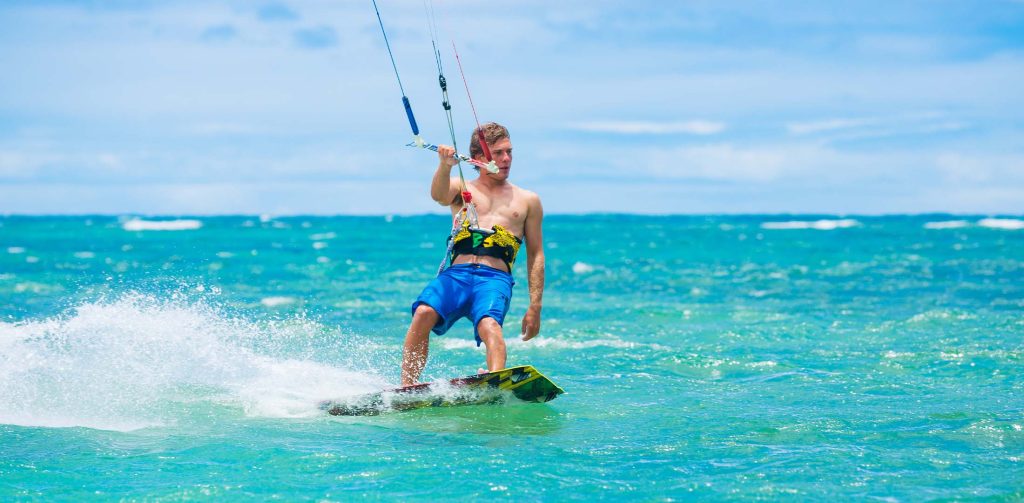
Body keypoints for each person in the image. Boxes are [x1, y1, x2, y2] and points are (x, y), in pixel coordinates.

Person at [400, 122, 545, 386]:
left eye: (509, 152)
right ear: (478, 158)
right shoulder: (461, 187)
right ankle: (407, 386)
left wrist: (535, 306)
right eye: (498, 153)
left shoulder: (527, 200)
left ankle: (494, 381)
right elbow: (439, 195)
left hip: (493, 279)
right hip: (456, 275)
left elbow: (536, 255)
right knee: (422, 313)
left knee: (490, 325)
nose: (506, 159)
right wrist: (444, 165)